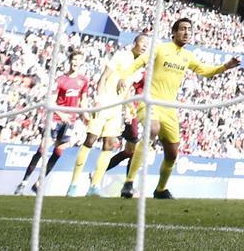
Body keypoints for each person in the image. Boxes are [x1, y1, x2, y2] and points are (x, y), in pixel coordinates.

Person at [118, 18, 240, 199]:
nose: (186, 32)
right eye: (182, 29)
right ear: (174, 32)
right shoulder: (161, 49)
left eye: (189, 29)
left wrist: (226, 66)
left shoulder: (187, 56)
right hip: (150, 102)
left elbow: (205, 71)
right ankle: (129, 182)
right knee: (152, 129)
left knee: (172, 153)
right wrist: (124, 76)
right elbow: (140, 62)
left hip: (170, 109)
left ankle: (160, 190)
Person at [68, 35, 148, 197]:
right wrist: (98, 99)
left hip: (116, 109)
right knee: (90, 140)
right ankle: (73, 185)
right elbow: (104, 77)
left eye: (148, 44)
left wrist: (129, 108)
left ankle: (94, 186)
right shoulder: (121, 56)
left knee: (109, 145)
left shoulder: (139, 66)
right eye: (143, 42)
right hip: (105, 103)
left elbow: (126, 89)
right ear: (134, 43)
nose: (145, 46)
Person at [14, 50, 90, 196]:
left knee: (58, 152)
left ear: (82, 62)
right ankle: (23, 182)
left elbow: (83, 100)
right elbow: (52, 100)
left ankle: (38, 183)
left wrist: (85, 115)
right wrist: (61, 114)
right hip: (55, 119)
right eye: (74, 59)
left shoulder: (83, 81)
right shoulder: (61, 80)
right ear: (70, 61)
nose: (76, 62)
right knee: (42, 150)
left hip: (70, 122)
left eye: (79, 60)